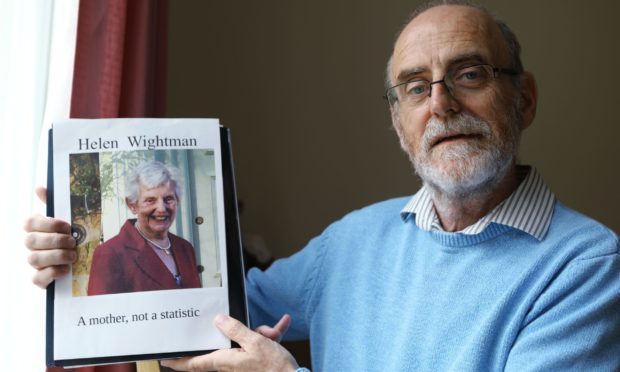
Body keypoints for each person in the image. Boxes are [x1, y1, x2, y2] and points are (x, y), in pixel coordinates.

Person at [24, 1, 619, 371]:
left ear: (525, 99)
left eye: (469, 73)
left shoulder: (586, 266)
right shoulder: (352, 240)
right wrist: (75, 267)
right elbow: (210, 312)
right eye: (415, 86)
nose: (440, 102)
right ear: (399, 122)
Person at [88, 160, 201, 295]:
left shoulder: (185, 248)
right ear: (132, 205)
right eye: (150, 200)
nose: (161, 208)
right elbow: (103, 313)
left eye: (168, 199)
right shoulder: (109, 253)